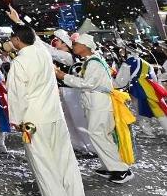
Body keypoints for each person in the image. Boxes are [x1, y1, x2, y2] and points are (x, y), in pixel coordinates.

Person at [6, 23, 89, 196]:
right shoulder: (43, 53)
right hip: (54, 115)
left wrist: (16, 120)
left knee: (44, 164)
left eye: (13, 39)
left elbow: (17, 95)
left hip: (34, 120)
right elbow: (35, 40)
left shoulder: (20, 63)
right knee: (66, 161)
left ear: (17, 40)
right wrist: (19, 22)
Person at [56, 34, 133, 184]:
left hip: (99, 103)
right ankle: (110, 166)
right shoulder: (91, 60)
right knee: (102, 135)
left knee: (98, 134)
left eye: (76, 44)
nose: (73, 46)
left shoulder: (94, 63)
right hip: (97, 102)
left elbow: (88, 83)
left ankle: (120, 169)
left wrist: (62, 76)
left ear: (85, 46)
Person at [48, 29, 96, 156]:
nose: (54, 43)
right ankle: (78, 145)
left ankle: (91, 148)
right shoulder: (60, 55)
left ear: (64, 43)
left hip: (73, 91)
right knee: (69, 120)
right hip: (64, 90)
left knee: (79, 119)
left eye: (56, 40)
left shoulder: (68, 56)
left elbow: (51, 52)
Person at [114, 46, 167, 135]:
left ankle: (148, 132)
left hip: (136, 90)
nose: (122, 52)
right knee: (159, 110)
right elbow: (154, 78)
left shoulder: (127, 63)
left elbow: (121, 81)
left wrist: (114, 84)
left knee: (141, 111)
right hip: (151, 89)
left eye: (123, 50)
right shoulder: (146, 63)